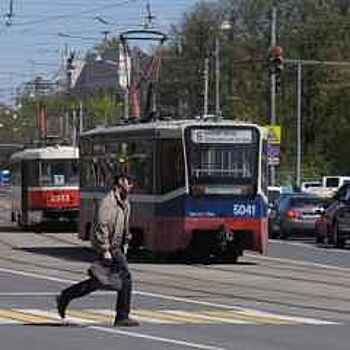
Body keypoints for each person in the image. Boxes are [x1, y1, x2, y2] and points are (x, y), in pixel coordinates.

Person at [56, 174, 139, 327]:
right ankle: (122, 316)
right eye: (129, 183)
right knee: (126, 278)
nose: (131, 186)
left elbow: (125, 226)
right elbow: (102, 227)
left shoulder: (126, 202)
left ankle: (65, 296)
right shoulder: (108, 203)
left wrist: (126, 241)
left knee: (98, 281)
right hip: (108, 247)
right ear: (120, 183)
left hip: (117, 246)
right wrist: (105, 249)